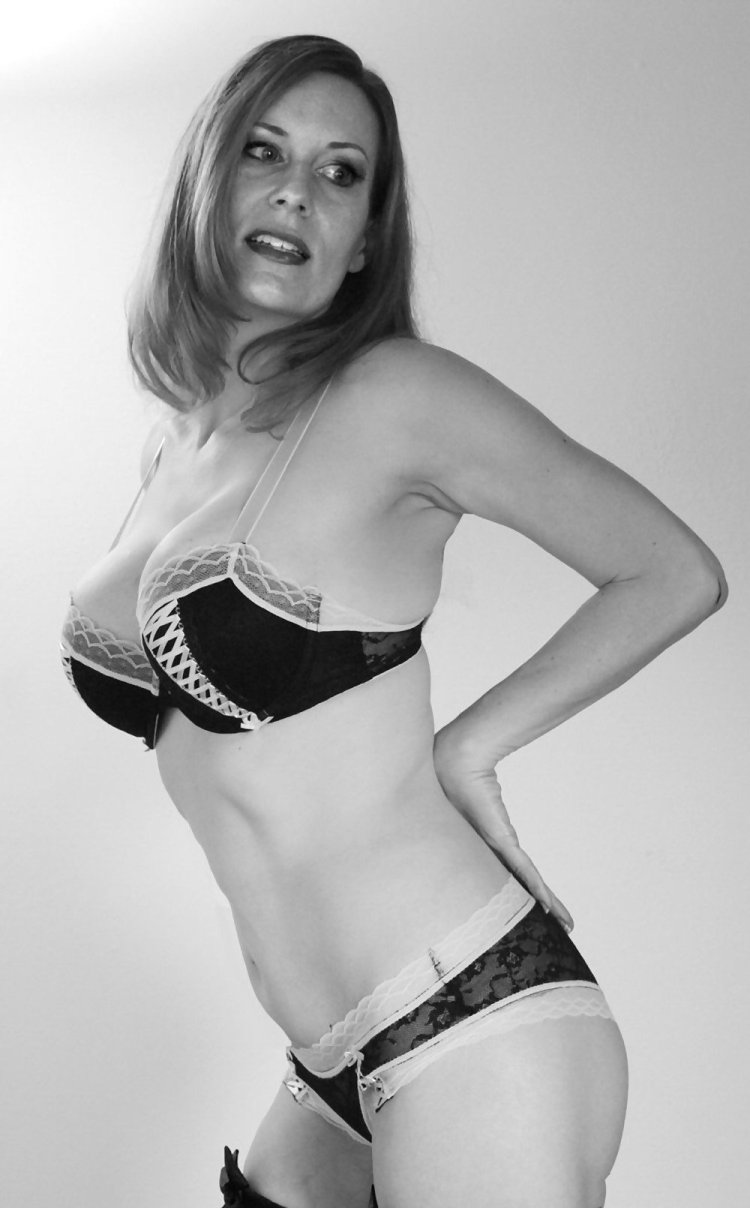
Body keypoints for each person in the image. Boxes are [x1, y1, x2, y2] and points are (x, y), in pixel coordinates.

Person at [60, 34, 726, 1208]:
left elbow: (671, 569)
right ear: (206, 180)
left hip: (469, 1011)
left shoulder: (397, 397)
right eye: (264, 152)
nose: (296, 191)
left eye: (341, 172)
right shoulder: (172, 450)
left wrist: (469, 746)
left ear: (366, 238)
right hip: (325, 1062)